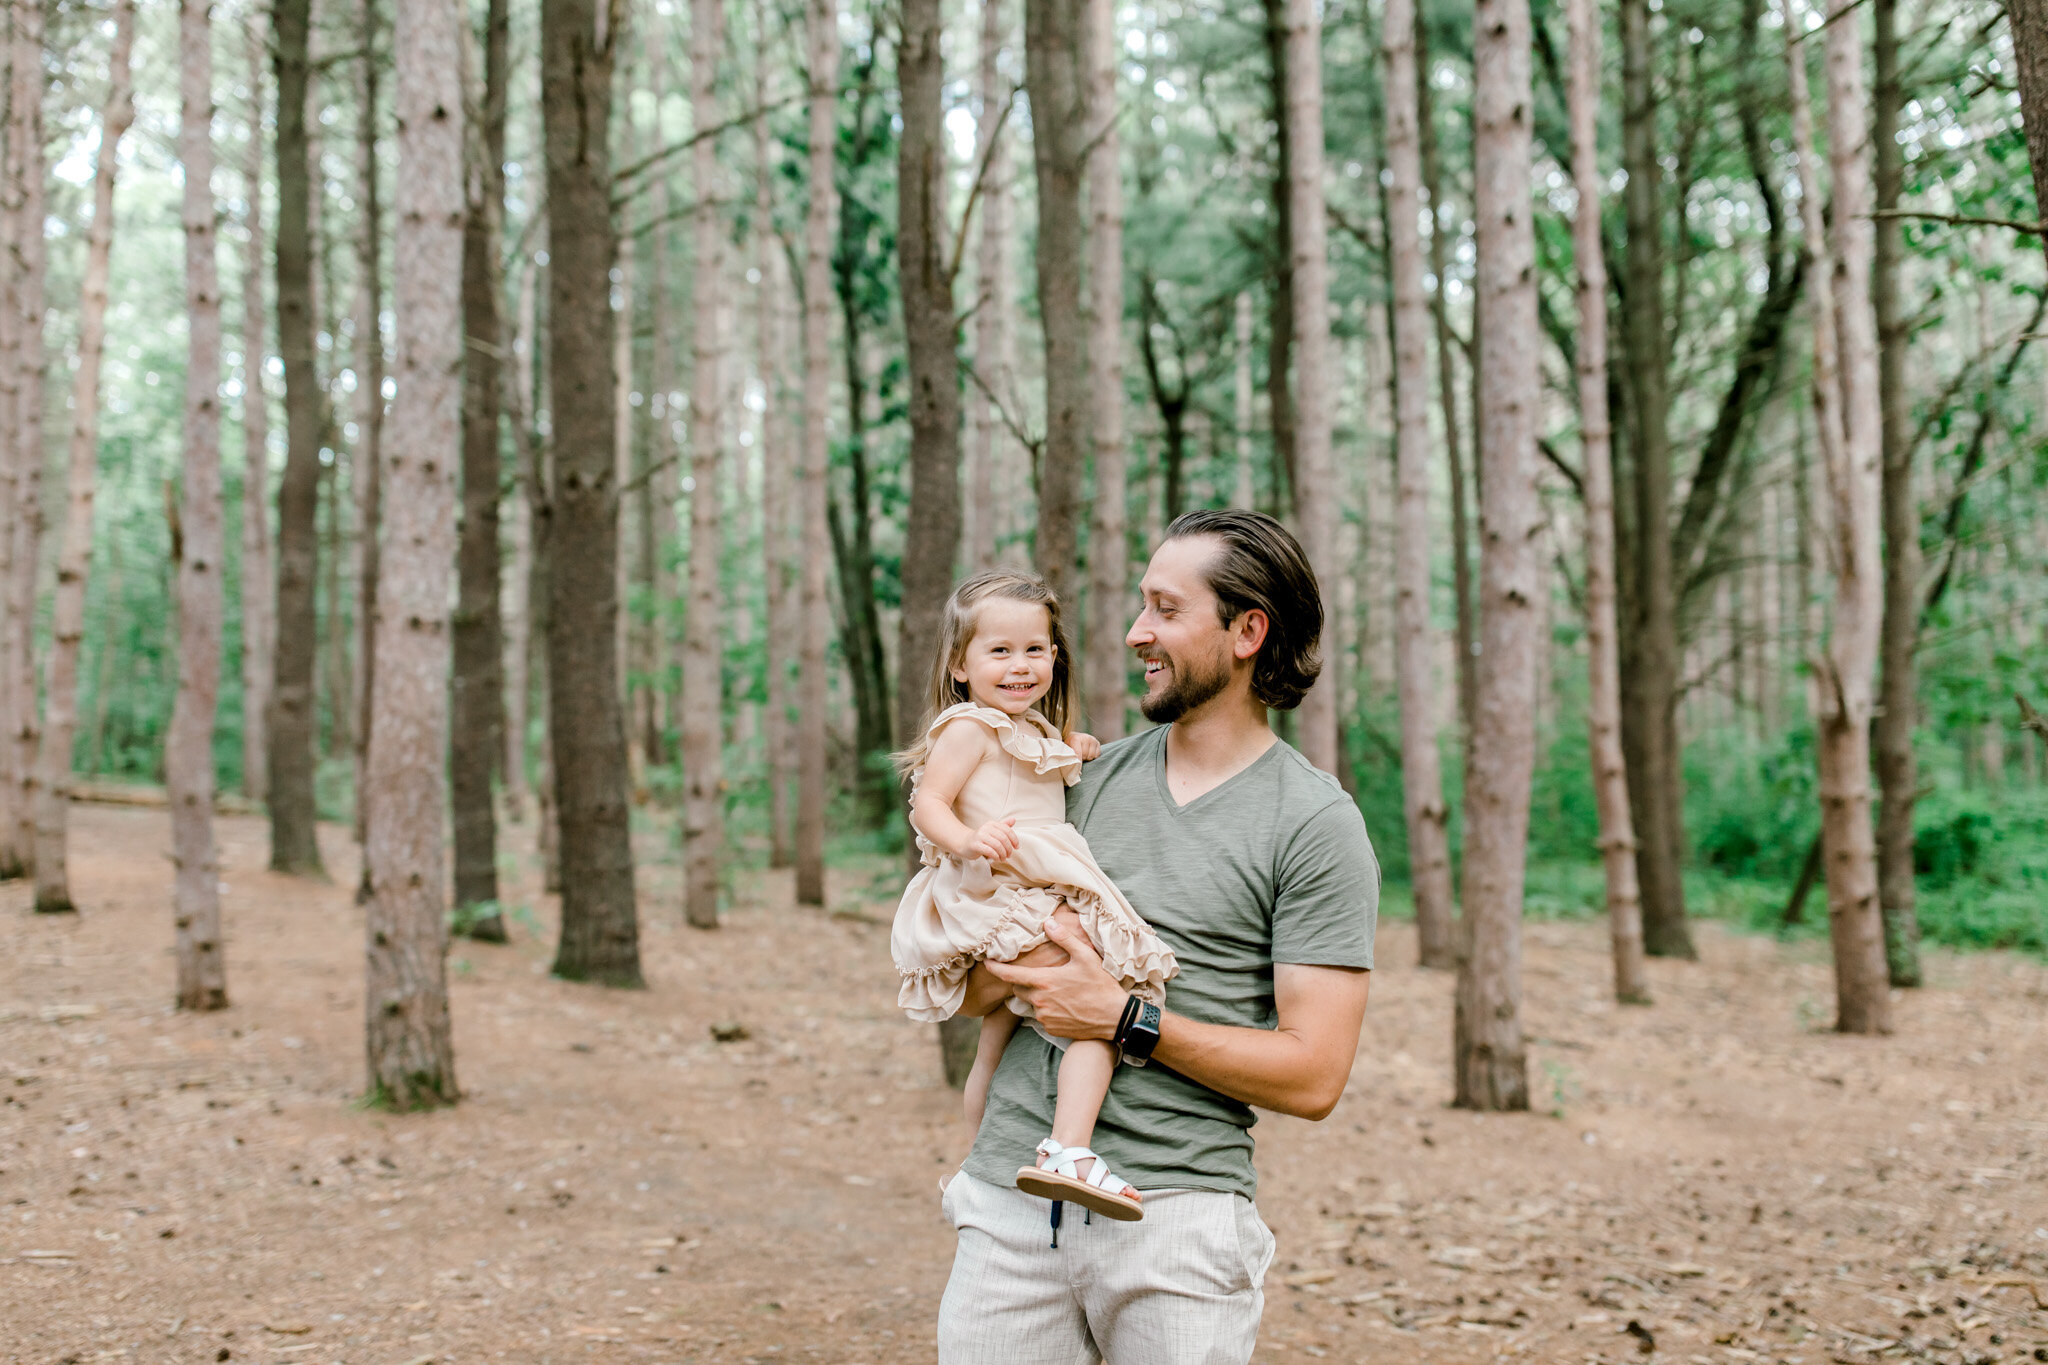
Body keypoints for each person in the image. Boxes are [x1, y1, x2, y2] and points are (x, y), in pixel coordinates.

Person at [935, 509, 1380, 1365]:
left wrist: (1123, 1016)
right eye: (1142, 606)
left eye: (1166, 610)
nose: (1138, 632)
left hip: (1174, 1221)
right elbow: (970, 978)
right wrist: (1015, 969)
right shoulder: (1083, 781)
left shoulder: (1315, 824)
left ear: (1248, 630)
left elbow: (1315, 1073)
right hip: (1008, 1209)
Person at [891, 570, 1179, 1220]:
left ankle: (975, 1165)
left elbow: (1042, 769)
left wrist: (1068, 746)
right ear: (960, 666)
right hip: (1001, 894)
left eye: (1035, 649)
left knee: (994, 1044)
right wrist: (966, 840)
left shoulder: (1031, 732)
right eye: (1000, 651)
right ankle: (1068, 1149)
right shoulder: (968, 729)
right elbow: (930, 802)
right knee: (1105, 1009)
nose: (1020, 666)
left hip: (1026, 891)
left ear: (1055, 656)